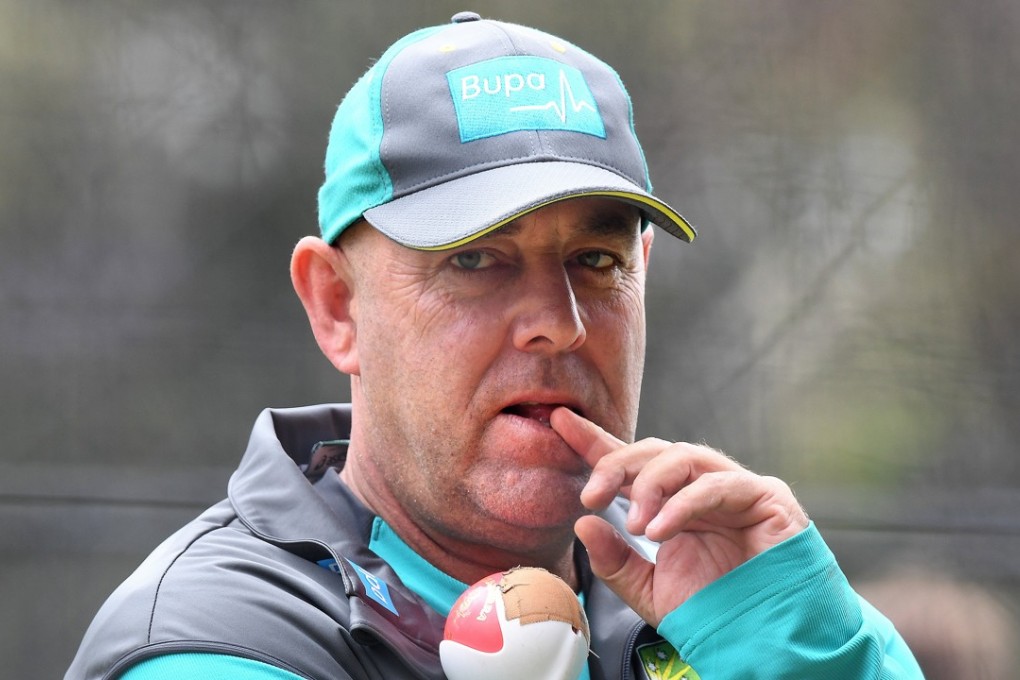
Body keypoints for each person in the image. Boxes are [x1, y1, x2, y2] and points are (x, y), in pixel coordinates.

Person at [66, 12, 923, 680]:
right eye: (475, 260)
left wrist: (798, 646)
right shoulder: (220, 642)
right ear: (337, 306)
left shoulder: (729, 593)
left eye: (596, 261)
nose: (559, 321)